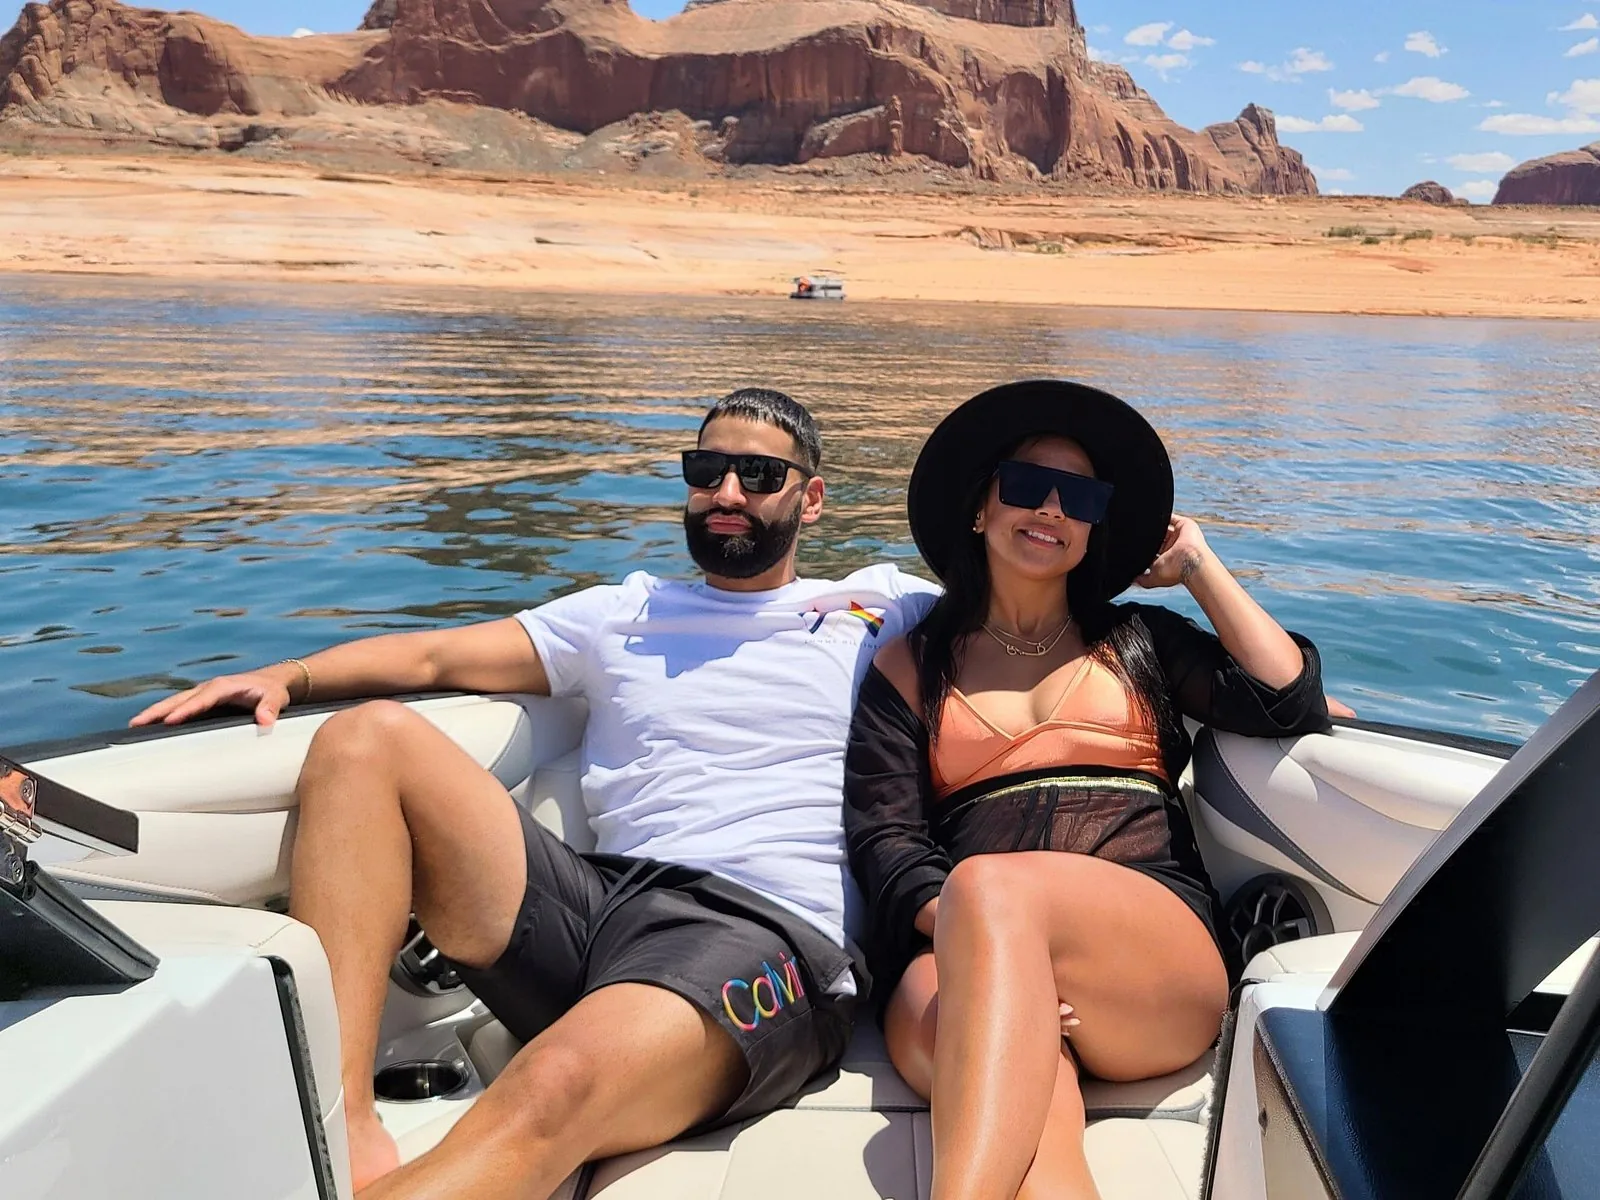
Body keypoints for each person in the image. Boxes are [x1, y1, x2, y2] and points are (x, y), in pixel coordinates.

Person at [130, 388, 938, 1199]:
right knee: (365, 738)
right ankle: (345, 1118)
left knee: (549, 1086)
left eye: (759, 475)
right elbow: (432, 663)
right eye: (707, 470)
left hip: (767, 933)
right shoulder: (619, 613)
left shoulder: (880, 609)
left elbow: (1035, 628)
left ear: (813, 497)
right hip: (603, 904)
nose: (727, 494)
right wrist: (286, 674)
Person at [843, 380, 1333, 1200]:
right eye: (1029, 486)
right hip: (966, 945)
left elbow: (1289, 698)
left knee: (991, 889)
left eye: (1081, 495)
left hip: (1145, 955)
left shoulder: (1140, 639)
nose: (1053, 509)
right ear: (981, 507)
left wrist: (1199, 566)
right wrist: (1007, 961)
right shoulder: (909, 666)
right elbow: (886, 842)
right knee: (1035, 1108)